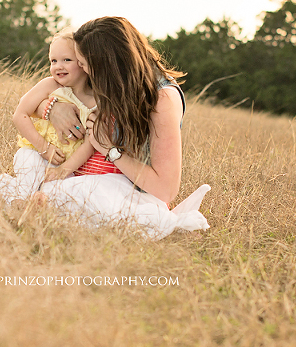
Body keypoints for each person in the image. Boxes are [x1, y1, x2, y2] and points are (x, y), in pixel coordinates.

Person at [35, 17, 210, 239]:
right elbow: (39, 98)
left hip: (132, 195)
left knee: (63, 202)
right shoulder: (117, 83)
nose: (82, 70)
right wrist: (52, 108)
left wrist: (111, 151)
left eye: (84, 64)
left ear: (106, 66)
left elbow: (166, 189)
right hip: (97, 180)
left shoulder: (162, 99)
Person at [0, 30, 114, 203]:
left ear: (82, 62)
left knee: (59, 194)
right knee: (28, 181)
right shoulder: (49, 85)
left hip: (67, 163)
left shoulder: (96, 100)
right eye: (53, 61)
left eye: (67, 60)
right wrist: (44, 148)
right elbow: (20, 115)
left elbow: (90, 142)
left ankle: (31, 203)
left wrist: (64, 169)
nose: (58, 66)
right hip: (36, 152)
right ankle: (16, 204)